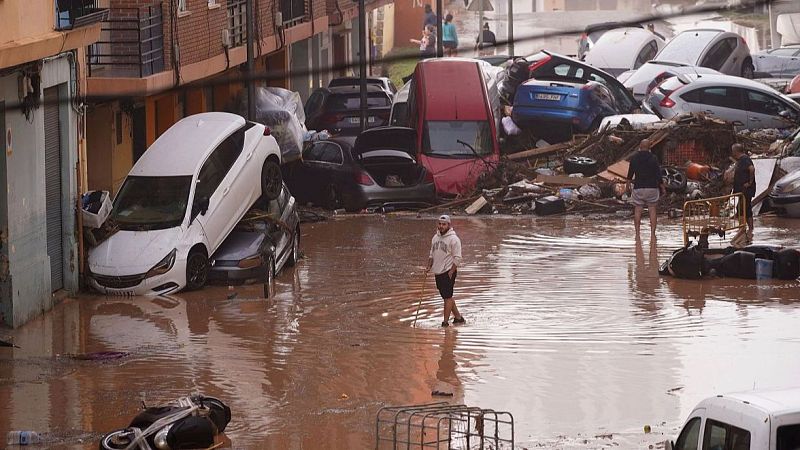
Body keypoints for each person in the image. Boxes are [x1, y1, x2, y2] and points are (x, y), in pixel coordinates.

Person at [426, 215, 465, 327]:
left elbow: (458, 258)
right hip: (437, 271)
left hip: (448, 271)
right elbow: (431, 254)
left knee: (447, 297)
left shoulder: (454, 239)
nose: (441, 226)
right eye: (440, 224)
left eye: (444, 224)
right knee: (446, 296)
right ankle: (458, 318)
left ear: (449, 225)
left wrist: (451, 271)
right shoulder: (435, 238)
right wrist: (429, 266)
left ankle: (445, 322)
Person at [626, 138, 666, 238]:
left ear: (640, 146)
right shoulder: (654, 158)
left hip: (638, 187)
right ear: (649, 147)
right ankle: (652, 234)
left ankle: (637, 234)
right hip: (652, 188)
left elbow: (630, 175)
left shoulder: (634, 158)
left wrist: (627, 187)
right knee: (652, 209)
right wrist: (662, 187)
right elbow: (658, 174)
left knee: (638, 209)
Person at [732, 143, 756, 240]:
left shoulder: (745, 159)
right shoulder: (740, 160)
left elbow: (752, 169)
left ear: (735, 151)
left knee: (741, 208)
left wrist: (749, 182)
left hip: (746, 190)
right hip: (743, 190)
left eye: (733, 150)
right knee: (747, 209)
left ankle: (742, 229)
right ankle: (750, 230)